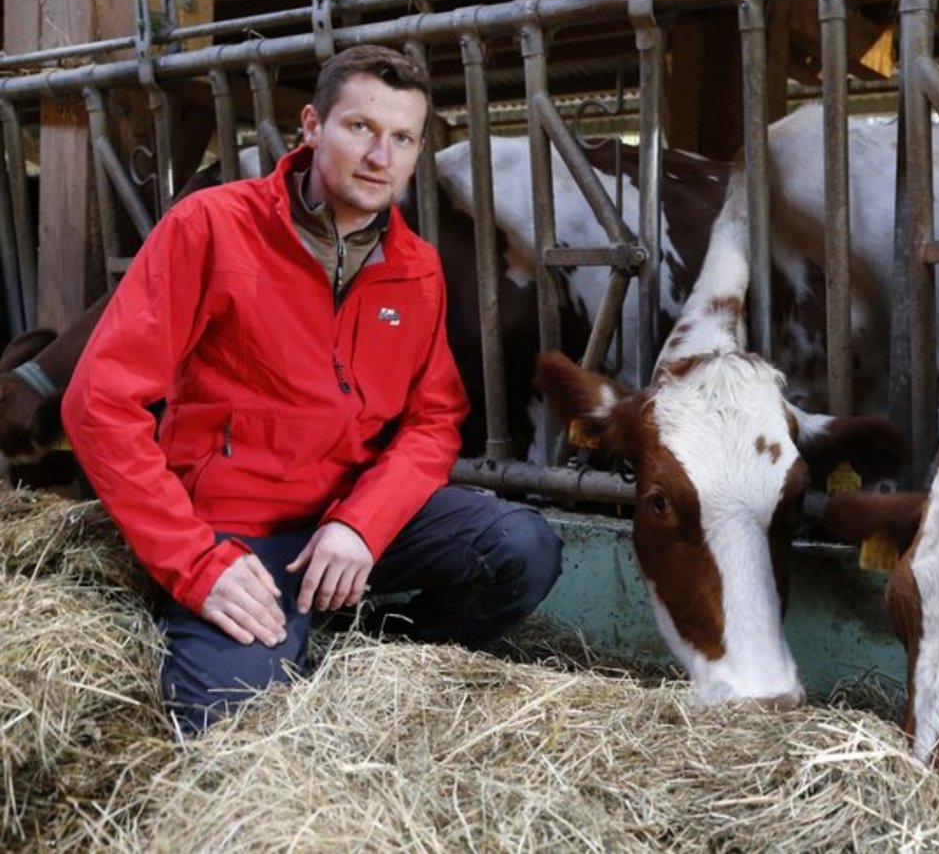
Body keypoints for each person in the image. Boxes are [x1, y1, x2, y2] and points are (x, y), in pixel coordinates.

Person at [62, 45, 563, 735]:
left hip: (347, 524)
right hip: (235, 531)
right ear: (311, 126)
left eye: (403, 138)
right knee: (225, 725)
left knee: (522, 547)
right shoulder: (210, 227)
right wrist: (194, 562)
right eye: (359, 127)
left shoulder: (415, 267)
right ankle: (262, 632)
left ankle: (374, 662)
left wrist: (364, 519)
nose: (380, 156)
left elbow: (435, 416)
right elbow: (98, 402)